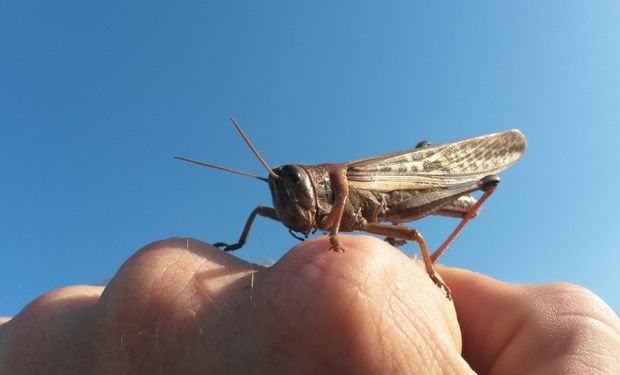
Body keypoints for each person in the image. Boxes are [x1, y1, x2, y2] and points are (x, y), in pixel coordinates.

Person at [0, 236, 618, 374]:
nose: (282, 198)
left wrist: (427, 276)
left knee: (418, 240)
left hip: (394, 195)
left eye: (290, 185)